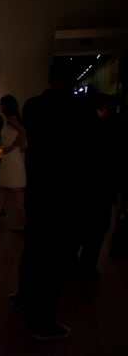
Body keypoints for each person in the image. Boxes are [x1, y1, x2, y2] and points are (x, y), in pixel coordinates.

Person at [10, 61, 96, 341]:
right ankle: (42, 321)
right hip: (65, 193)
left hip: (39, 187)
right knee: (56, 258)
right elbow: (85, 152)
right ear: (71, 81)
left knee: (34, 246)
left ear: (48, 78)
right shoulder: (79, 109)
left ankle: (24, 297)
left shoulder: (32, 106)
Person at [77, 93, 121, 279]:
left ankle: (73, 263)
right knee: (97, 231)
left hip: (83, 188)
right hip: (101, 189)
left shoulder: (82, 127)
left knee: (81, 226)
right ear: (104, 107)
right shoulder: (107, 130)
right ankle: (87, 269)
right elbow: (112, 164)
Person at [0, 95, 26, 228]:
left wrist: (11, 147)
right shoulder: (10, 120)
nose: (0, 106)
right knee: (3, 189)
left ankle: (26, 222)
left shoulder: (11, 120)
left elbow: (23, 133)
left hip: (12, 158)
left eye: (1, 104)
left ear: (6, 106)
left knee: (16, 192)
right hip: (9, 158)